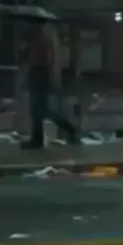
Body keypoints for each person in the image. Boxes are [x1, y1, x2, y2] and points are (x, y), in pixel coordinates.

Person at [22, 17, 77, 149]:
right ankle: (39, 138)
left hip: (40, 74)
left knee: (39, 110)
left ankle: (67, 129)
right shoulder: (40, 38)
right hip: (39, 74)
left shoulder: (43, 38)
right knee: (39, 110)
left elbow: (44, 59)